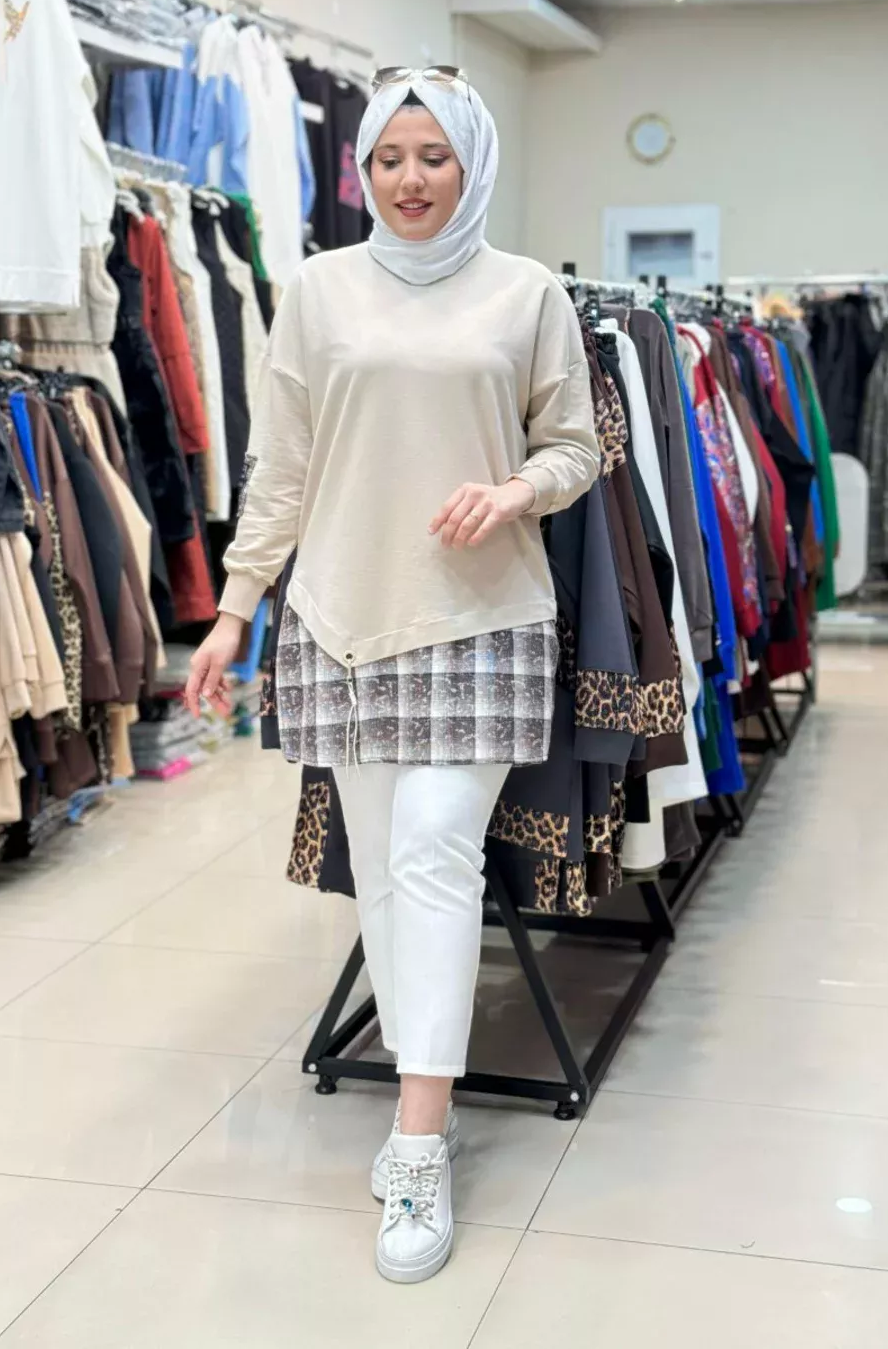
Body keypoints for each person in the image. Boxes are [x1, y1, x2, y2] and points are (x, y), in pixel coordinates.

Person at [186, 66, 600, 1284]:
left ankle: (417, 1141)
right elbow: (281, 469)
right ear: (361, 168)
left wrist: (516, 490)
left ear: (472, 162)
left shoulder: (526, 293)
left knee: (430, 849)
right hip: (343, 623)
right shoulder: (317, 290)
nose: (410, 180)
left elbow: (576, 445)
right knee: (382, 872)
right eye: (387, 159)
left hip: (482, 620)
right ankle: (432, 1104)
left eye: (433, 156)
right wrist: (234, 610)